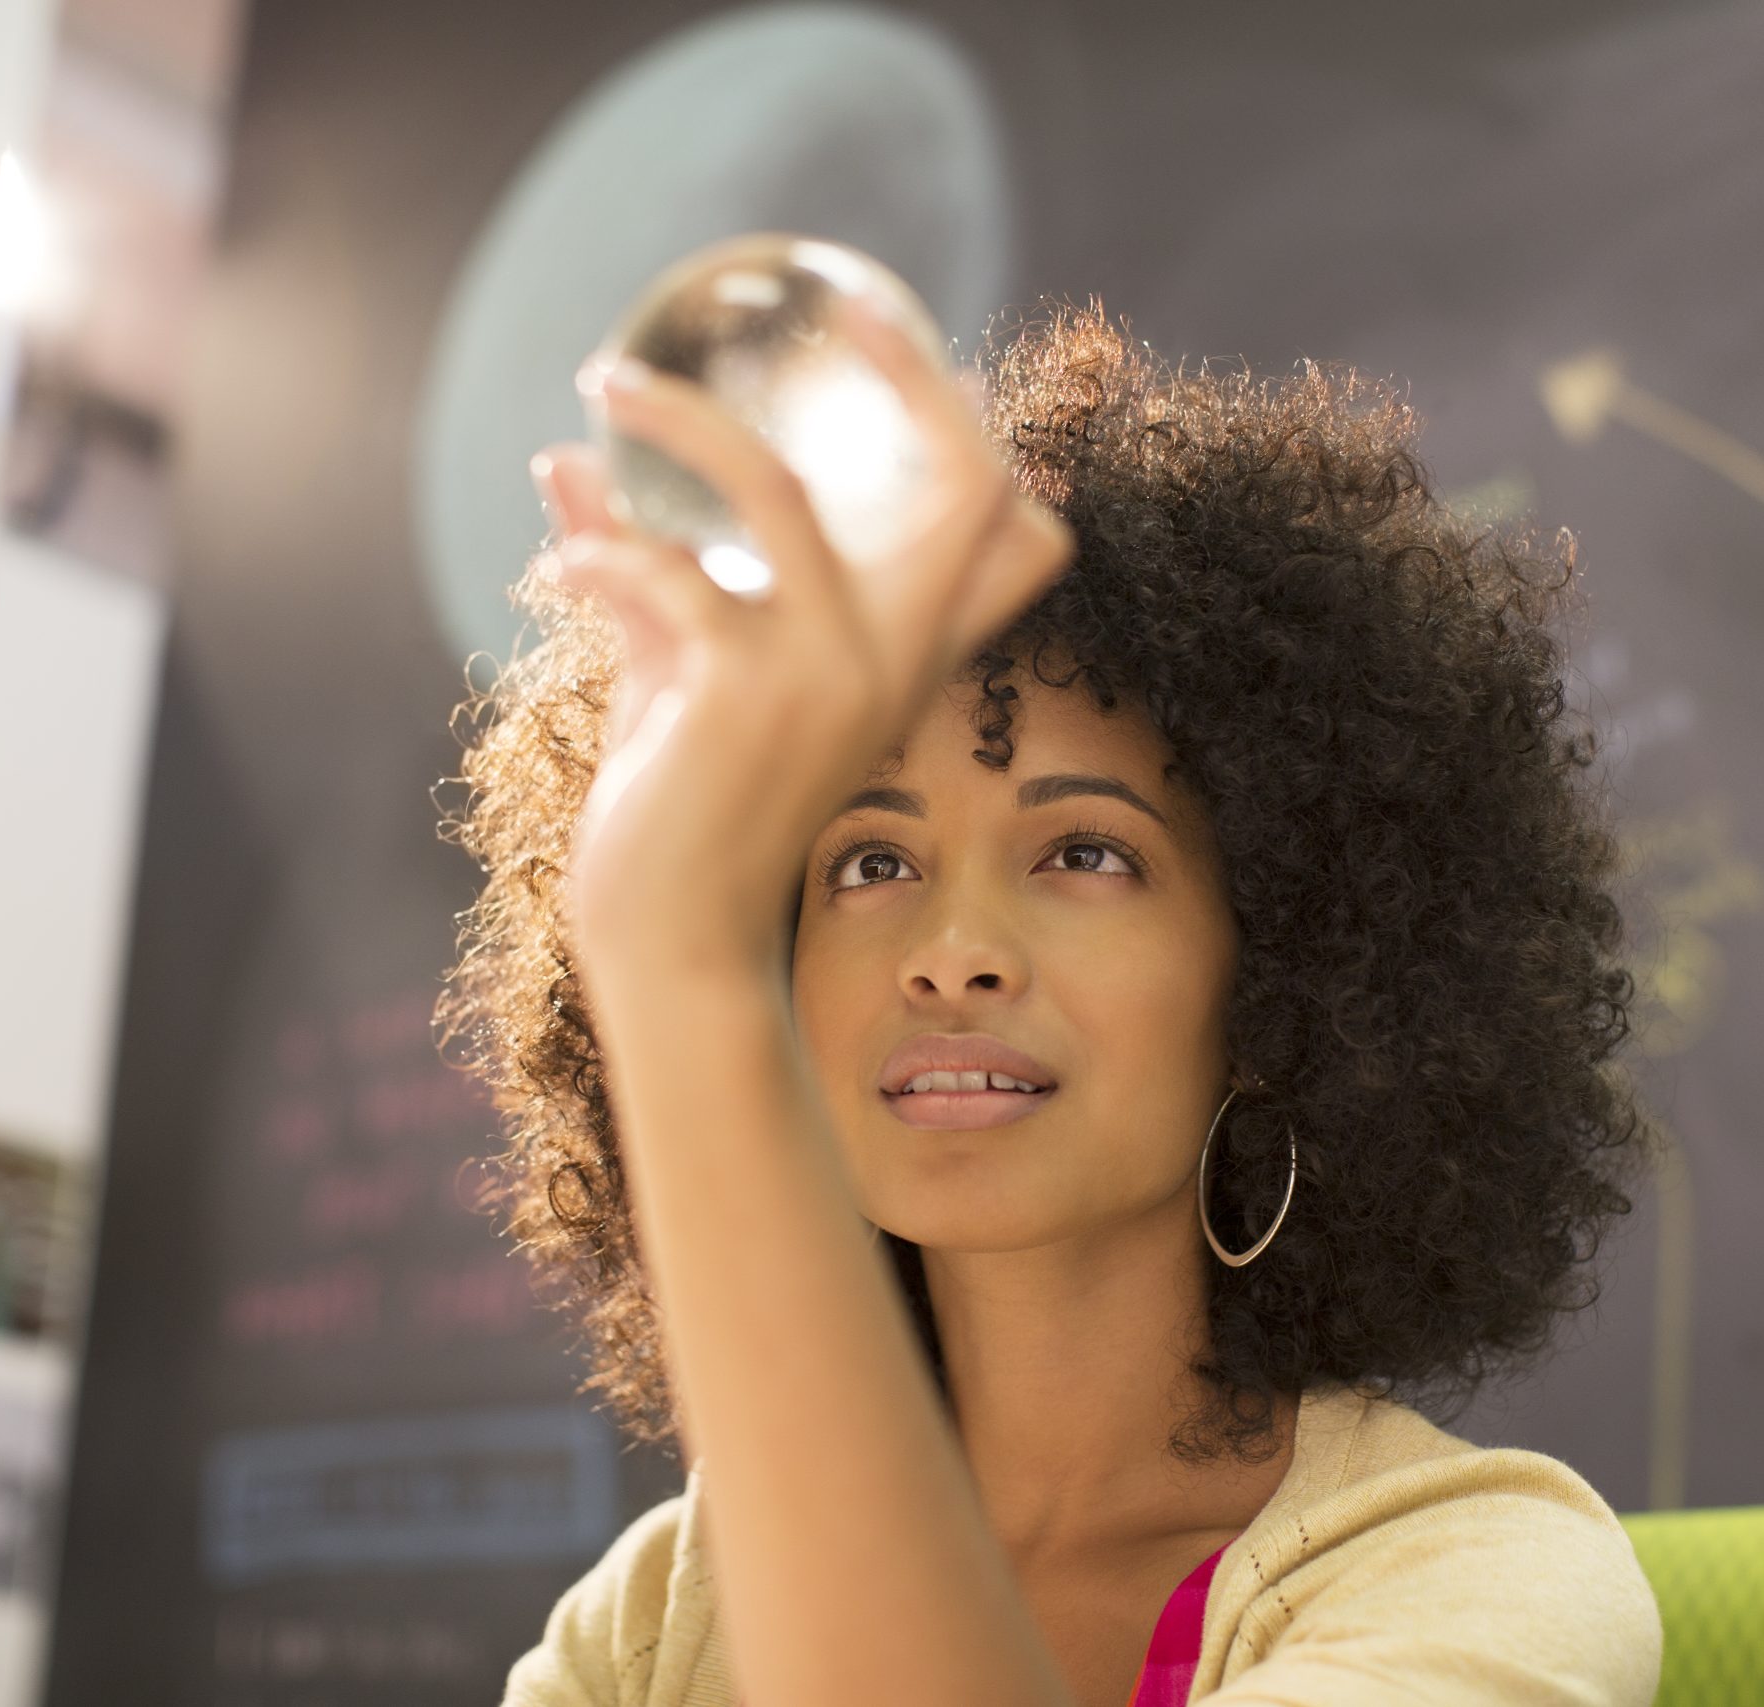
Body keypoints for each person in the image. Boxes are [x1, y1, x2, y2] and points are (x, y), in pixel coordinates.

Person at [437, 295, 1665, 1707]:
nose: (951, 952)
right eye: (871, 859)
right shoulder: (649, 1626)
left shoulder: (1480, 1574)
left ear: (1285, 981)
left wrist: (672, 954)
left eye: (1084, 853)